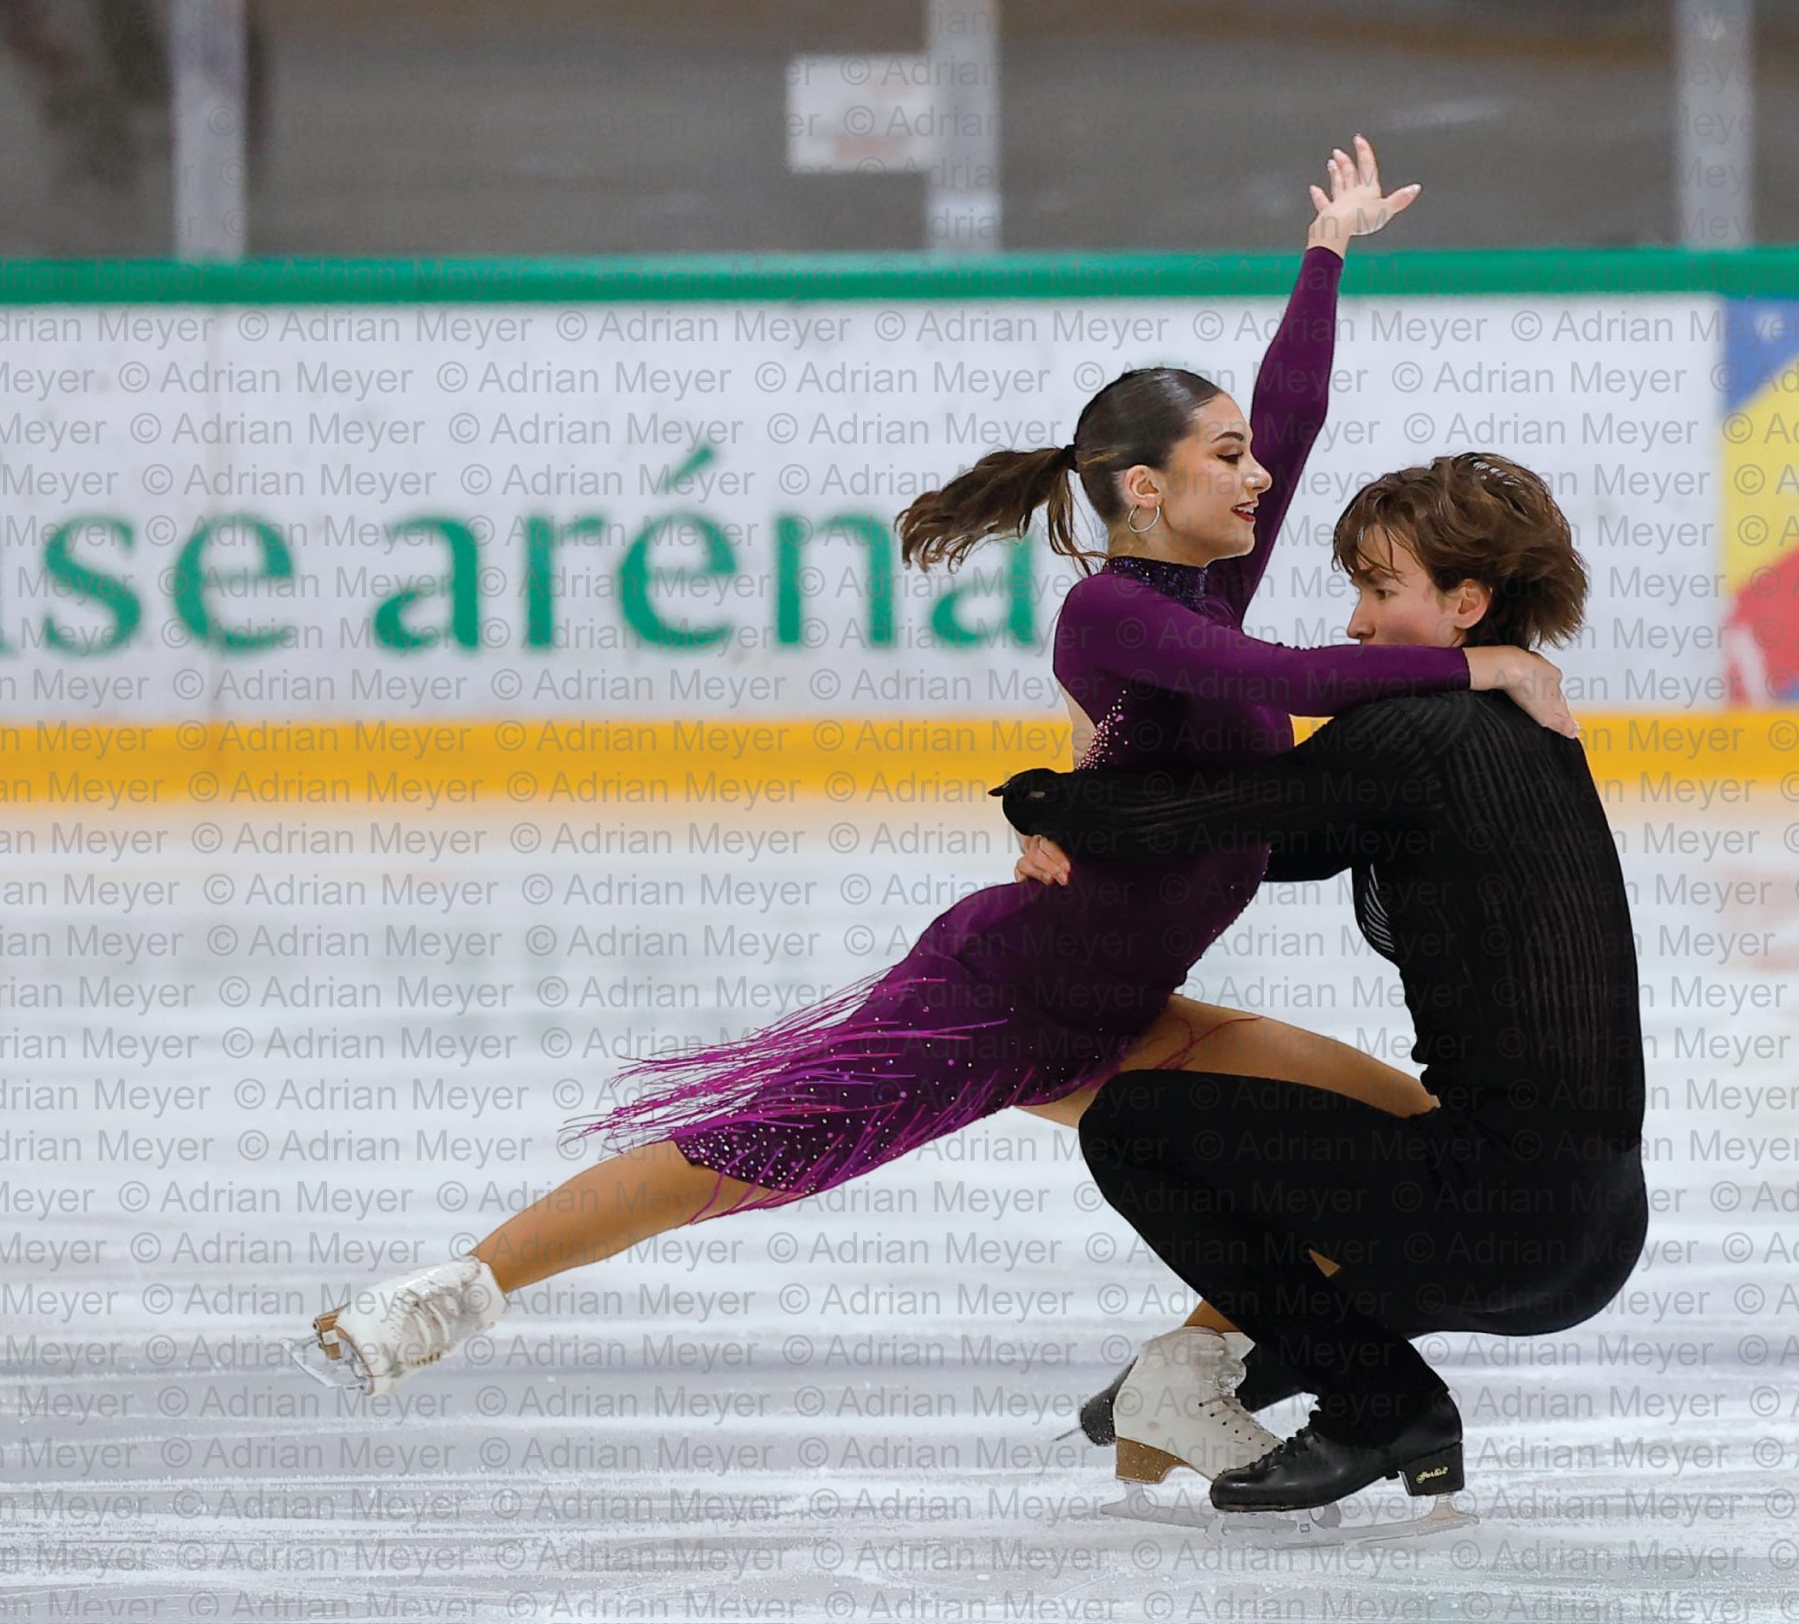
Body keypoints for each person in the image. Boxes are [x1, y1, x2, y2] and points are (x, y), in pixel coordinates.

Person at [298, 139, 1578, 1411]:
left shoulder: (1207, 588)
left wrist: (1326, 252)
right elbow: (1289, 680)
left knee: (1396, 1151)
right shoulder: (1115, 614)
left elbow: (1294, 415)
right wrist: (1484, 663)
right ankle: (449, 1291)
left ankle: (1182, 1390)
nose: (1260, 474)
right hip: (1004, 998)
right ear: (1146, 487)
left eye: (1249, 457)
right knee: (749, 1157)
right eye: (1228, 457)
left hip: (1130, 1013)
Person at [997, 452, 1649, 1521]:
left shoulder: (1423, 728)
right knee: (1324, 1188)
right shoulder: (1512, 731)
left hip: (1494, 1215)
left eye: (1380, 590)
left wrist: (1043, 801)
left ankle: (1387, 1407)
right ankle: (1199, 1381)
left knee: (1132, 1126)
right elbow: (1276, 841)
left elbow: (1207, 824)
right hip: (1594, 1231)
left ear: (1466, 604)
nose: (1355, 622)